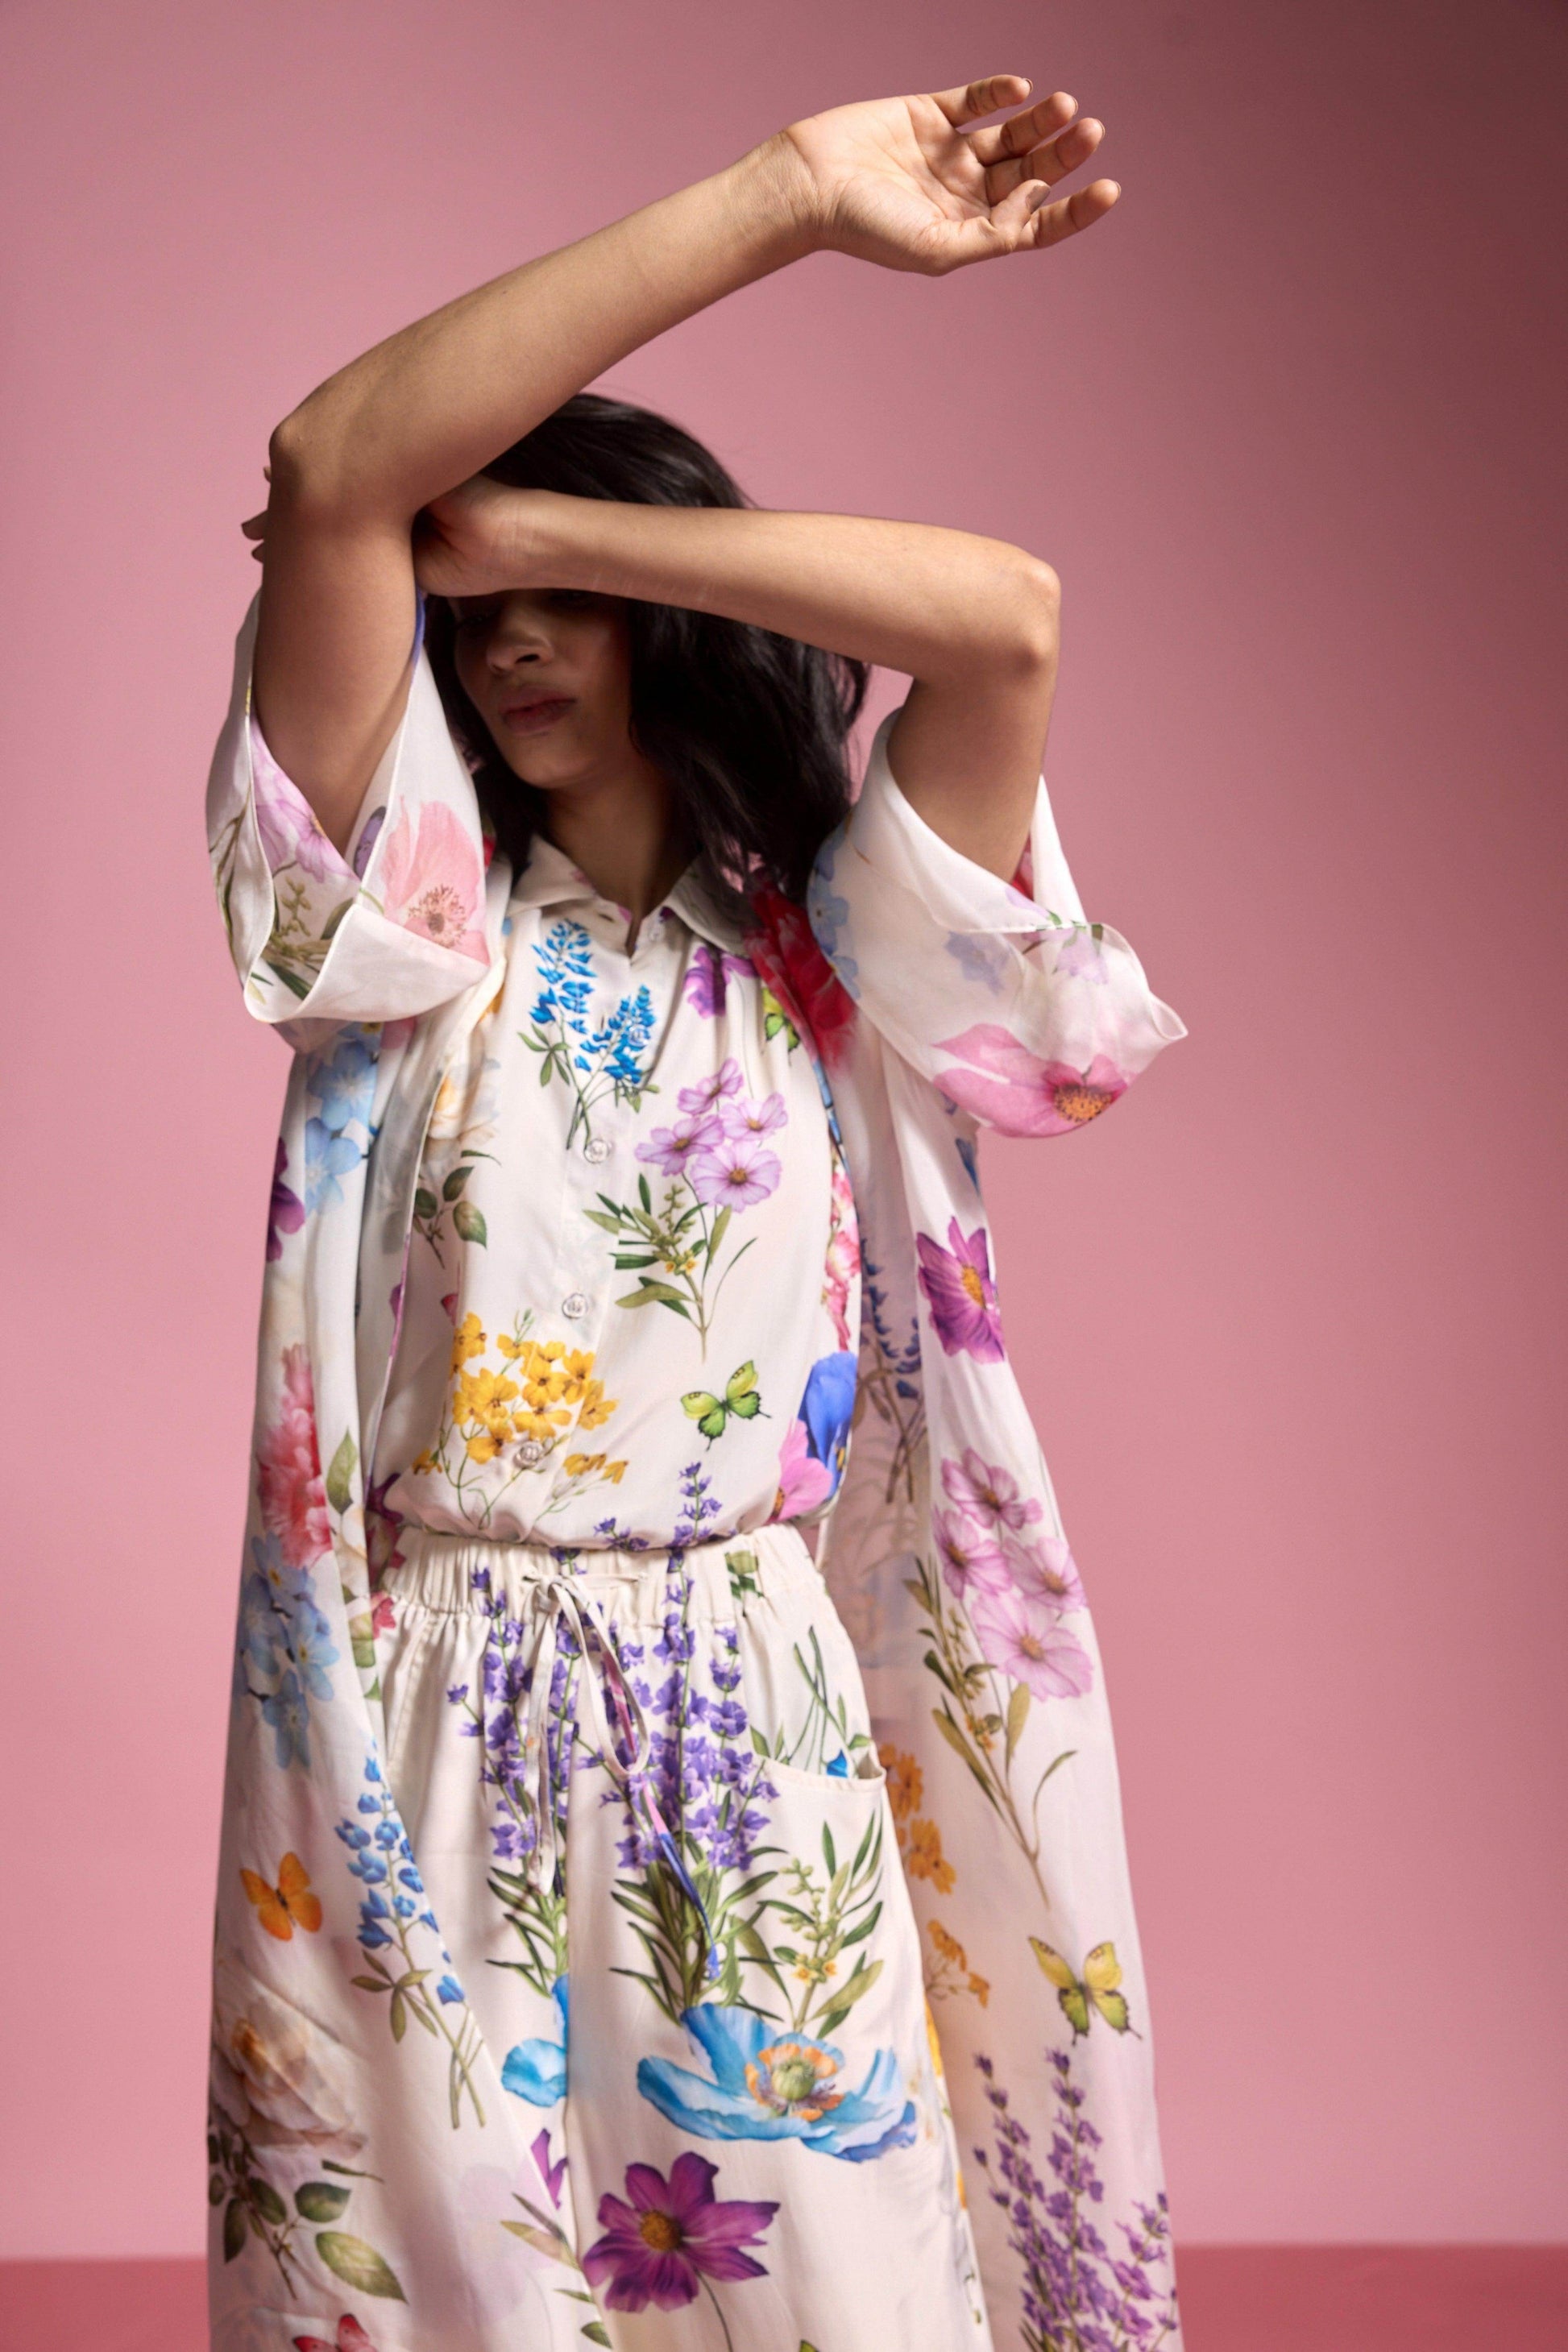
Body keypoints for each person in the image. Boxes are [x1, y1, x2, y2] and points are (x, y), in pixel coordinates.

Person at [205, 73, 1187, 2352]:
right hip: (432, 1715)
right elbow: (332, 465)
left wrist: (557, 523)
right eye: (481, 612)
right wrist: (785, 197)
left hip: (754, 1705)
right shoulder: (411, 925)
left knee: (831, 2296)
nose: (511, 643)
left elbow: (1004, 620)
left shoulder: (837, 940)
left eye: (567, 607)